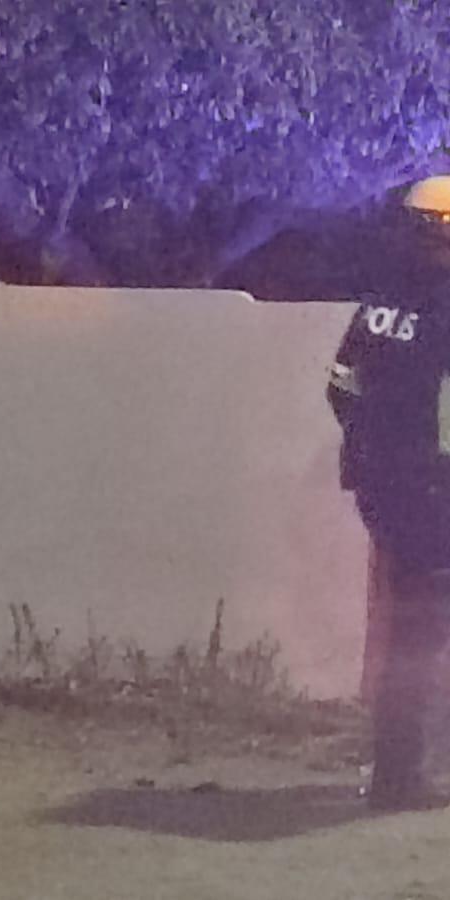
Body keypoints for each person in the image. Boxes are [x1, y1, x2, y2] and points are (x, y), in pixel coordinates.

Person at [225, 176, 450, 809]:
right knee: (424, 629)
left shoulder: (381, 302)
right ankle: (401, 776)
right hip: (436, 486)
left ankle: (402, 767)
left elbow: (341, 389)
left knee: (414, 621)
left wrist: (379, 452)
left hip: (383, 481)